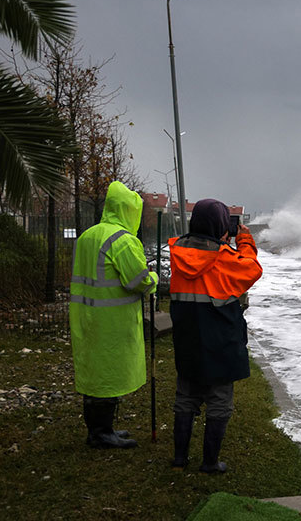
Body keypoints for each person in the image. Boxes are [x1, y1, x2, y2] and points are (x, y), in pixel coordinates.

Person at [168, 199, 262, 473]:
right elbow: (252, 269)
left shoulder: (177, 253)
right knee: (219, 401)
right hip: (220, 343)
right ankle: (209, 462)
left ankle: (179, 458)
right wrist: (244, 241)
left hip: (188, 340)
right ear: (222, 226)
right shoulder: (224, 258)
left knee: (186, 396)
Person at [70, 180, 157, 449]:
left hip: (86, 316)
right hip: (112, 321)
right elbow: (138, 281)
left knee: (95, 373)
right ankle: (101, 433)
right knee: (108, 374)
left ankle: (100, 429)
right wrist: (153, 277)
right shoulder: (123, 241)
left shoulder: (88, 235)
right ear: (129, 211)